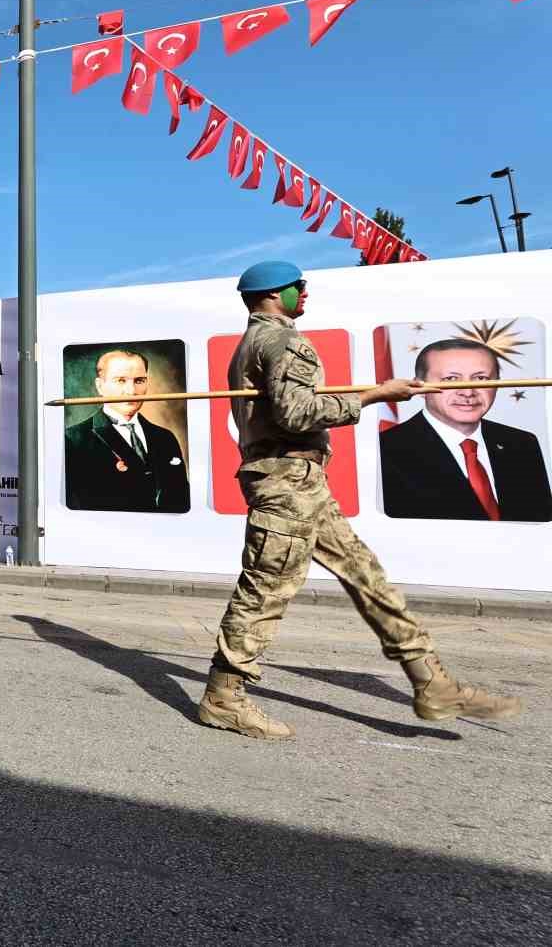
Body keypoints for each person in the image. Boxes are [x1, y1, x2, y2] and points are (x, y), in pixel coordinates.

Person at [198, 261, 522, 741]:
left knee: (366, 575)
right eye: (296, 287)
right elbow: (297, 413)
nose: (303, 292)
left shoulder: (257, 341)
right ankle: (223, 697)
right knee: (265, 591)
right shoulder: (284, 341)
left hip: (301, 482)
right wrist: (376, 395)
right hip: (285, 485)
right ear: (272, 294)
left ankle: (430, 681)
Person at [379, 338, 552, 522]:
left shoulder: (522, 443)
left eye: (481, 378)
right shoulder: (386, 450)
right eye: (451, 379)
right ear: (418, 388)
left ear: (497, 384)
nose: (468, 392)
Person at [63, 349, 191, 513]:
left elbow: (182, 499)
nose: (131, 391)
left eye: (139, 381)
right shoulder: (73, 440)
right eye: (120, 380)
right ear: (100, 386)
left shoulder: (165, 438)